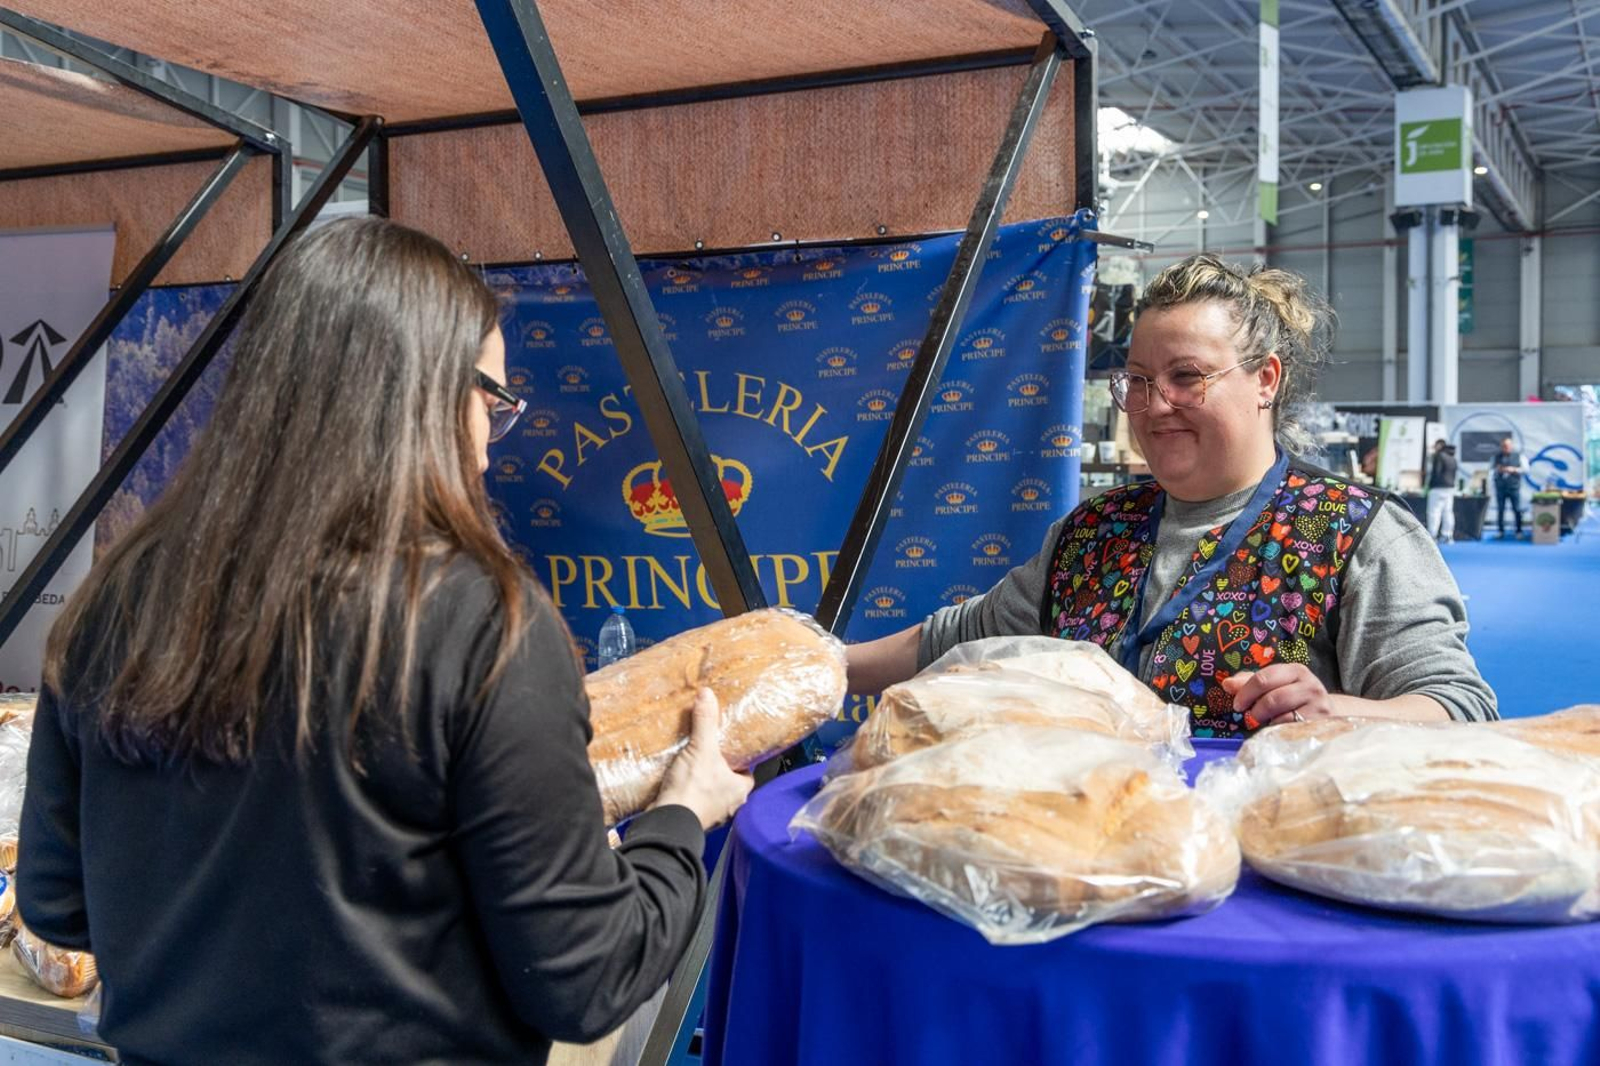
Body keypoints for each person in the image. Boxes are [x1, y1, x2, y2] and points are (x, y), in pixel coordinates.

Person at [18, 218, 752, 1065]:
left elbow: (60, 903)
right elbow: (589, 979)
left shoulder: (118, 597)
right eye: (493, 401)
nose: (487, 448)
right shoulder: (484, 625)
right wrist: (681, 817)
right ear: (429, 393)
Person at [848, 254, 1496, 737]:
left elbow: (1456, 706)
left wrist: (1341, 712)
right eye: (1137, 381)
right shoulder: (1092, 532)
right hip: (1092, 863)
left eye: (1187, 377)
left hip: (1264, 886)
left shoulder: (1355, 532)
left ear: (1265, 379)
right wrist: (823, 668)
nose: (1156, 407)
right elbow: (961, 636)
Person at [1425, 439, 1459, 544]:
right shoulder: (1453, 458)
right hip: (1450, 488)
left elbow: (1436, 472)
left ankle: (1433, 535)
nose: (1434, 447)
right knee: (1448, 512)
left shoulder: (1438, 456)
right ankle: (1448, 535)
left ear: (1439, 446)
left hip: (1437, 488)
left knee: (1434, 512)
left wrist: (1429, 486)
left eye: (1435, 445)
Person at [1494, 436, 1526, 538]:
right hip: (1501, 487)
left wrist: (1514, 470)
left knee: (1517, 509)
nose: (1505, 448)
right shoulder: (1496, 457)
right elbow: (1491, 470)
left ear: (1511, 446)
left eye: (1507, 446)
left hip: (1514, 487)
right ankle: (1500, 531)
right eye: (1503, 446)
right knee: (1500, 509)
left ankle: (1519, 531)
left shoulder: (1519, 456)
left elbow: (1526, 469)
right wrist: (1498, 470)